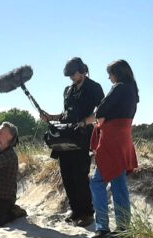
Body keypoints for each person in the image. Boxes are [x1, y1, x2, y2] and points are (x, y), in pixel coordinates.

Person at [40, 57, 105, 227]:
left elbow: (102, 111)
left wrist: (85, 122)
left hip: (82, 137)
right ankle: (75, 210)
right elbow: (65, 114)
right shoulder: (68, 90)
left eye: (73, 74)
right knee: (67, 175)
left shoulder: (94, 87)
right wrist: (51, 117)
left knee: (80, 175)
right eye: (68, 75)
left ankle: (87, 213)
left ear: (82, 70)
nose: (71, 78)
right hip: (65, 136)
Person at [89, 59, 139, 238]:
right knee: (118, 184)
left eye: (110, 73)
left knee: (97, 182)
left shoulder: (120, 87)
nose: (109, 77)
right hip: (122, 139)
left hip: (112, 141)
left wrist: (99, 117)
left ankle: (103, 228)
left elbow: (102, 107)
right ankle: (124, 227)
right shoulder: (132, 90)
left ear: (117, 73)